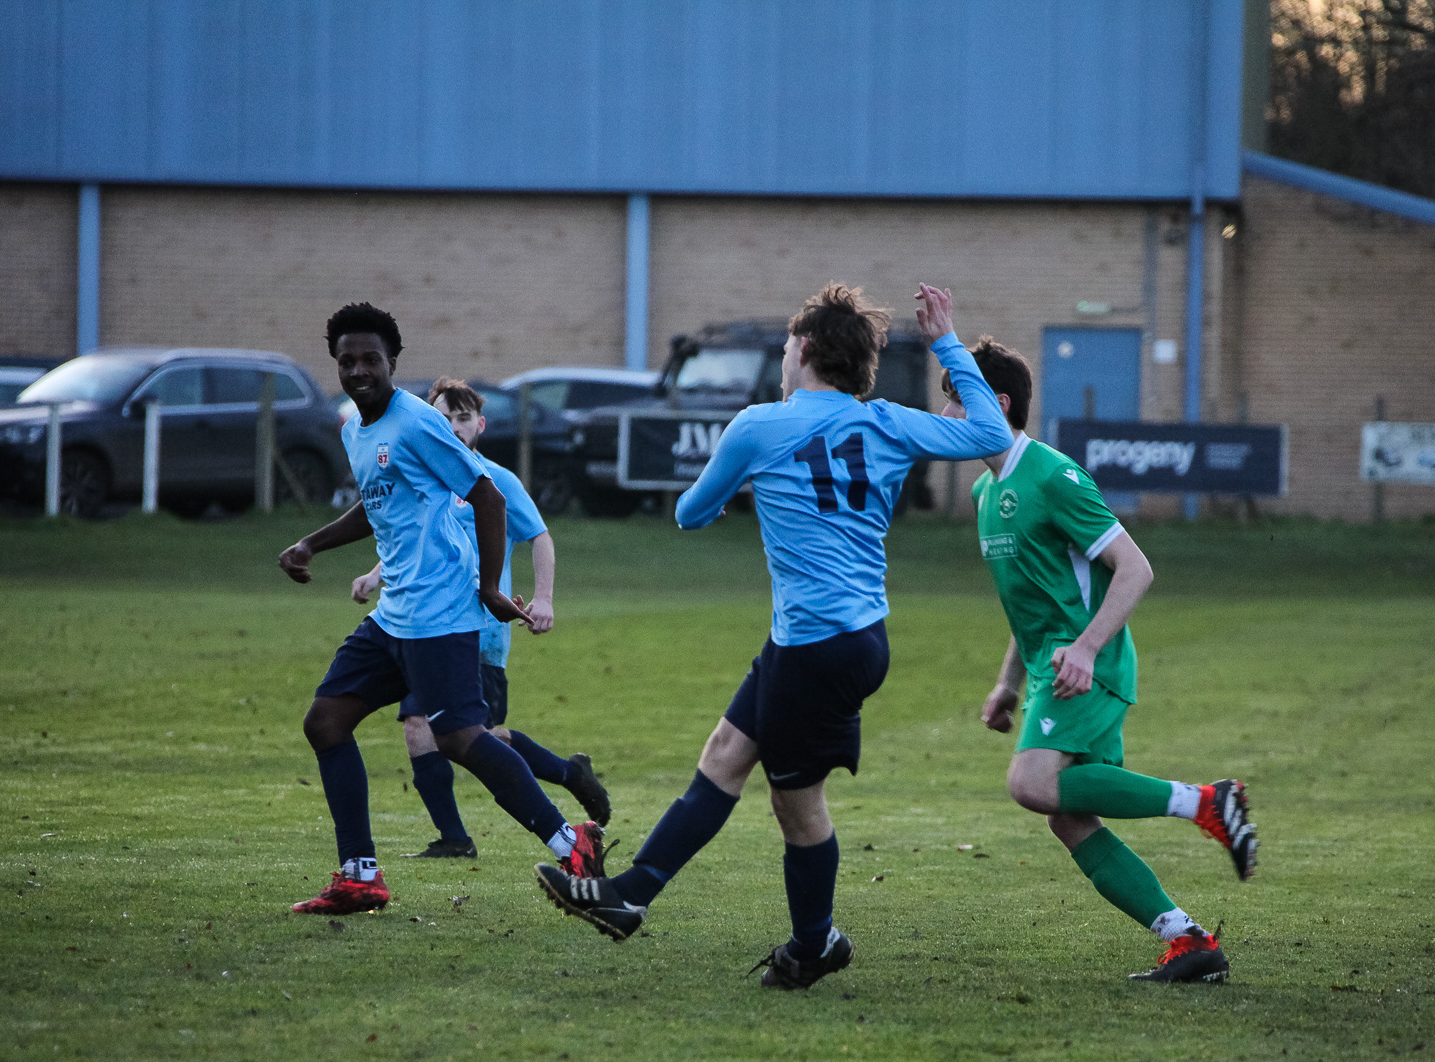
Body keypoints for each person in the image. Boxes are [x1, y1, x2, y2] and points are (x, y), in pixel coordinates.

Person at [534, 281, 1013, 987]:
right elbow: (993, 434)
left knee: (797, 805)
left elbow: (690, 513)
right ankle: (633, 896)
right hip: (846, 639)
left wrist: (739, 488)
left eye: (789, 346)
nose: (786, 357)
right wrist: (946, 341)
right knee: (726, 754)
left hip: (815, 648)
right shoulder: (888, 422)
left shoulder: (759, 426)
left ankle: (810, 943)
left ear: (806, 349)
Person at [947, 338, 1255, 982]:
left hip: (1090, 665)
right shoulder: (984, 491)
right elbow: (1035, 601)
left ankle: (1206, 801)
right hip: (1051, 669)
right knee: (1067, 818)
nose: (946, 416)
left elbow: (1135, 567)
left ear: (996, 403)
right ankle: (1189, 941)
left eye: (956, 399)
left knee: (1031, 785)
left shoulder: (1051, 476)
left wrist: (1086, 648)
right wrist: (1007, 683)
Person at [278, 302, 602, 915]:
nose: (358, 370)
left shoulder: (418, 422)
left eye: (371, 359)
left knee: (458, 738)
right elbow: (376, 505)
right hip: (395, 612)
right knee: (326, 722)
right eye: (347, 360)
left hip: (443, 609)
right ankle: (360, 876)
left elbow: (487, 496)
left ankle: (572, 843)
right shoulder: (354, 430)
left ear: (392, 362)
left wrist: (489, 588)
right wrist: (311, 543)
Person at [350, 377, 610, 859]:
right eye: (443, 417)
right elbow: (413, 539)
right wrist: (375, 574)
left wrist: (544, 598)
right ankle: (454, 838)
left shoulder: (496, 481)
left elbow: (540, 537)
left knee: (474, 737)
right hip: (424, 625)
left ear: (481, 425)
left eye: (463, 417)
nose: (453, 426)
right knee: (420, 726)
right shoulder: (425, 478)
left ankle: (567, 774)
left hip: (481, 631)